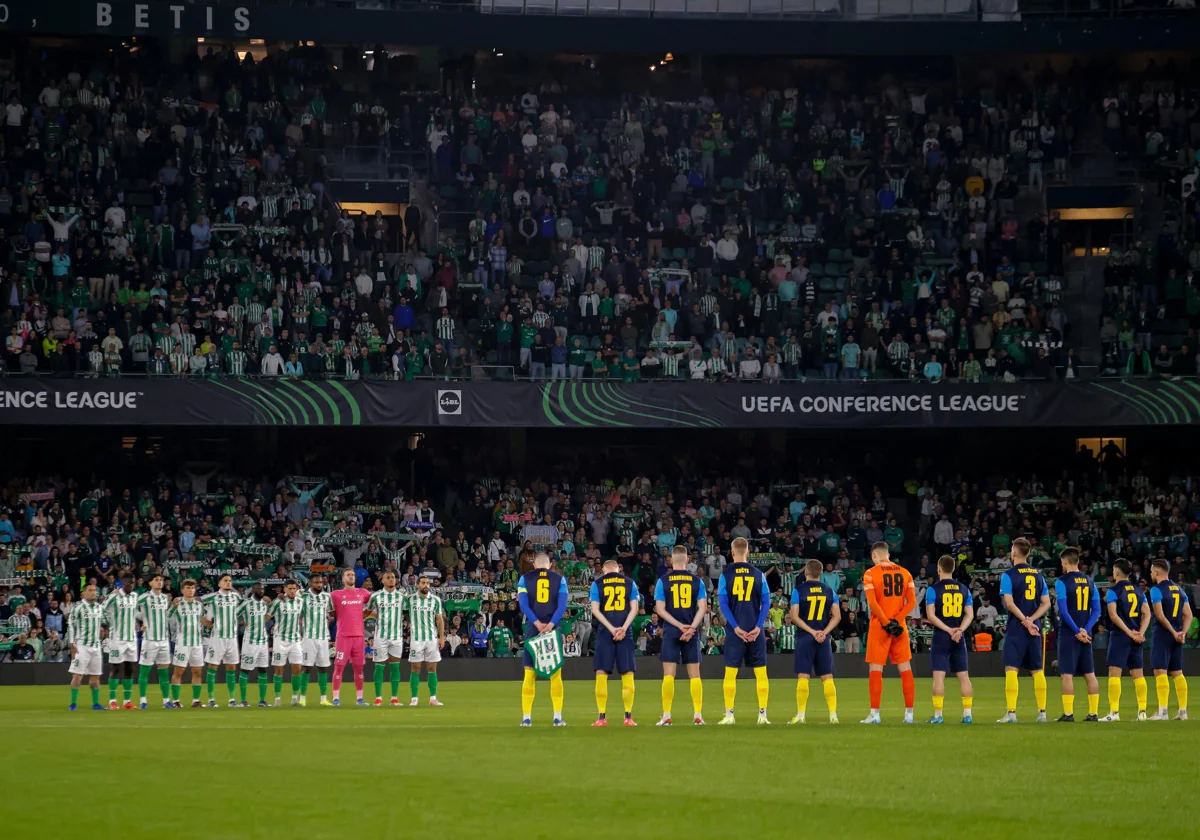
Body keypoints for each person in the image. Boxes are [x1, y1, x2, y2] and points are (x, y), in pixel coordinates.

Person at [716, 536, 771, 725]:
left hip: (735, 631)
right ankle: (762, 715)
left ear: (732, 552)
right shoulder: (758, 574)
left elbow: (723, 604)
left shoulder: (726, 574)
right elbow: (766, 602)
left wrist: (736, 627)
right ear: (748, 552)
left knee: (730, 673)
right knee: (761, 673)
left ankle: (729, 715)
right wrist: (758, 627)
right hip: (756, 630)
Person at [860, 541, 916, 724]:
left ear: (874, 555)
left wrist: (886, 623)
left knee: (876, 669)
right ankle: (909, 715)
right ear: (888, 555)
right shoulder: (905, 572)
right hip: (900, 628)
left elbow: (872, 603)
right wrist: (897, 621)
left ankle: (875, 715)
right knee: (905, 669)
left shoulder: (870, 574)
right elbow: (912, 603)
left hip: (879, 627)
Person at [653, 545, 708, 726]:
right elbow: (703, 608)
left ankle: (667, 715)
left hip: (671, 630)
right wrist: (691, 628)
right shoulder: (697, 581)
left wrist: (678, 625)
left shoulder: (663, 581)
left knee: (669, 674)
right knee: (695, 674)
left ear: (670, 560)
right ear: (687, 560)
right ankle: (698, 715)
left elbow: (660, 609)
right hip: (691, 631)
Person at [997, 538, 1051, 723]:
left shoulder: (1008, 575)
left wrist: (1025, 621)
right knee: (1037, 670)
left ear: (1014, 552)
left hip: (1017, 628)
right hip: (1035, 628)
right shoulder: (1038, 575)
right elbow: (1046, 603)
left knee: (1011, 668)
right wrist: (1032, 620)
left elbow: (1010, 604)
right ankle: (1042, 713)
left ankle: (1011, 713)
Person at [516, 552, 568, 726]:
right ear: (550, 564)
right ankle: (557, 717)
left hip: (533, 628)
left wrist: (537, 624)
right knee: (555, 672)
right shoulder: (560, 579)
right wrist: (551, 625)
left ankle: (526, 718)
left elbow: (523, 605)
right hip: (553, 628)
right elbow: (562, 606)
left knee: (529, 673)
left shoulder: (524, 579)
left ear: (534, 564)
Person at [788, 558, 841, 725]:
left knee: (803, 675)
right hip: (823, 638)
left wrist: (812, 632)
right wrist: (823, 632)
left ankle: (801, 715)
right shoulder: (829, 591)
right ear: (821, 573)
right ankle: (833, 715)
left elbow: (794, 616)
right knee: (827, 676)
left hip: (806, 637)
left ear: (805, 573)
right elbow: (837, 616)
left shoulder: (798, 590)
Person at [590, 558, 640, 726]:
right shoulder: (629, 583)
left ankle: (601, 718)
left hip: (606, 632)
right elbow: (634, 608)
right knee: (627, 673)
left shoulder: (597, 584)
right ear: (618, 569)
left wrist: (612, 629)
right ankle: (628, 717)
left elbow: (595, 610)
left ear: (604, 570)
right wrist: (623, 628)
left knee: (601, 673)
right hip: (625, 632)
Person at [924, 556, 974, 724]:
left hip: (941, 636)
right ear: (953, 569)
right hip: (958, 637)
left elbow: (931, 616)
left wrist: (948, 630)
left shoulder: (933, 590)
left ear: (939, 568)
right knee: (964, 676)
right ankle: (967, 714)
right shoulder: (964, 589)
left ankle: (938, 716)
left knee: (938, 676)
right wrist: (960, 629)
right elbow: (970, 614)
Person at [1053, 548, 1101, 722]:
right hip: (1086, 635)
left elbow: (1064, 612)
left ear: (1065, 562)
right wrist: (1085, 630)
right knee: (1090, 674)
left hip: (1068, 634)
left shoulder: (1062, 582)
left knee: (1067, 674)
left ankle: (1068, 714)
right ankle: (1093, 713)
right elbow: (1097, 610)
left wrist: (1076, 631)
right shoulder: (1090, 581)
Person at [1101, 560, 1151, 722]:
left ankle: (1114, 713)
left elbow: (1114, 616)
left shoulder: (1113, 591)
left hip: (1121, 635)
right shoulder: (1138, 590)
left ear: (1116, 572)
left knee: (1114, 674)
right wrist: (1140, 633)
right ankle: (1142, 712)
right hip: (1137, 636)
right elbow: (1147, 614)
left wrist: (1129, 633)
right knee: (1138, 674)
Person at [1148, 559, 1192, 720]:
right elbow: (1188, 614)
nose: (1151, 574)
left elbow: (1159, 615)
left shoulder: (1156, 590)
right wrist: (1182, 632)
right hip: (1177, 636)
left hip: (1163, 634)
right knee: (1177, 673)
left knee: (1160, 671)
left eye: (1152, 571)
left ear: (1158, 572)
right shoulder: (1179, 589)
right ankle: (1183, 711)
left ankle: (1163, 712)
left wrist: (1174, 632)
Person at [330, 567, 371, 706]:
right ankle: (335, 698)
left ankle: (359, 698)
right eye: (348, 575)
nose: (351, 577)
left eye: (353, 575)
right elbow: (328, 610)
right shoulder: (335, 594)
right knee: (339, 667)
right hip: (343, 637)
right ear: (343, 579)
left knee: (359, 668)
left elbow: (375, 602)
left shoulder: (363, 593)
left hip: (359, 637)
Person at [201, 573, 243, 708]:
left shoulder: (236, 596)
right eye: (225, 580)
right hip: (218, 637)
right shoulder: (213, 596)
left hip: (232, 638)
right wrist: (204, 619)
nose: (228, 583)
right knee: (213, 666)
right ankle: (211, 699)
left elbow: (243, 606)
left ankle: (232, 700)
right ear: (219, 584)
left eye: (230, 580)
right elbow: (197, 600)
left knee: (231, 667)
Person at [367, 570, 407, 707]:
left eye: (393, 578)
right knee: (379, 667)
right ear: (382, 580)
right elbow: (367, 611)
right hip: (381, 637)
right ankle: (378, 698)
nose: (391, 580)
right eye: (388, 578)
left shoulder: (402, 596)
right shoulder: (375, 596)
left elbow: (407, 612)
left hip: (396, 637)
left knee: (395, 667)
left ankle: (394, 698)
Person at [102, 574, 140, 709]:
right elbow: (102, 609)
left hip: (131, 638)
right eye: (128, 582)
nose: (131, 584)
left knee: (130, 668)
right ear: (123, 582)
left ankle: (127, 701)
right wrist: (106, 625)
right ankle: (112, 700)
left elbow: (135, 613)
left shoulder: (135, 596)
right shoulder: (114, 596)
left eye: (133, 582)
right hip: (117, 637)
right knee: (116, 668)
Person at [67, 582, 106, 711]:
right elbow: (71, 625)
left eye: (95, 590)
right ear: (83, 593)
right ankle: (73, 703)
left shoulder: (99, 608)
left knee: (95, 676)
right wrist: (72, 644)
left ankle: (95, 703)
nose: (93, 592)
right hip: (81, 646)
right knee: (77, 675)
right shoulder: (78, 608)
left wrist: (102, 631)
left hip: (96, 646)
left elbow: (104, 623)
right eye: (90, 590)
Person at [136, 573, 173, 709]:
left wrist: (173, 607)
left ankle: (166, 701)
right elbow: (132, 610)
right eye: (156, 580)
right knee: (144, 671)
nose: (159, 582)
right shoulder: (144, 597)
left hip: (164, 640)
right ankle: (143, 701)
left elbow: (166, 615)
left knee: (163, 672)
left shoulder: (164, 598)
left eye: (161, 580)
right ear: (150, 583)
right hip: (150, 640)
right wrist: (140, 622)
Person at [407, 575, 446, 706]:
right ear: (417, 585)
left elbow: (439, 620)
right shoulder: (410, 599)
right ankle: (414, 698)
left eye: (428, 583)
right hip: (416, 639)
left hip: (431, 639)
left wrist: (441, 637)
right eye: (423, 583)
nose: (426, 585)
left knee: (432, 668)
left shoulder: (435, 600)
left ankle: (433, 698)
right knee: (416, 668)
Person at [169, 579, 206, 708]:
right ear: (182, 590)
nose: (191, 590)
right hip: (182, 642)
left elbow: (202, 619)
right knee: (179, 671)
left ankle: (196, 700)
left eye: (192, 588)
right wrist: (173, 606)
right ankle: (176, 701)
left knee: (197, 671)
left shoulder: (199, 605)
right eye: (188, 588)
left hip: (196, 642)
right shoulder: (178, 604)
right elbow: (167, 616)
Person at [268, 579, 306, 706]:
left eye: (294, 588)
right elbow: (267, 616)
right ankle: (277, 699)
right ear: (284, 589)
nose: (292, 591)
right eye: (289, 588)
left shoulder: (300, 601)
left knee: (297, 669)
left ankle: (295, 698)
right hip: (280, 640)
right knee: (279, 670)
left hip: (295, 640)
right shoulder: (278, 602)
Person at [299, 573, 334, 706]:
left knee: (323, 668)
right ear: (311, 583)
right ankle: (302, 698)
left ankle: (323, 699)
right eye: (317, 583)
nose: (320, 585)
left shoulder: (326, 596)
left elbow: (330, 612)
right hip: (309, 637)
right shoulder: (303, 596)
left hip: (324, 637)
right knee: (307, 667)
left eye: (321, 582)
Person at [237, 582, 272, 707]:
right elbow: (234, 614)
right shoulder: (246, 603)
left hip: (263, 642)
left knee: (263, 670)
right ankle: (243, 700)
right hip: (250, 642)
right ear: (253, 590)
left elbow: (268, 615)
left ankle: (262, 700)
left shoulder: (264, 604)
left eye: (263, 589)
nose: (261, 591)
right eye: (259, 589)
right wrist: (242, 622)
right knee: (245, 670)